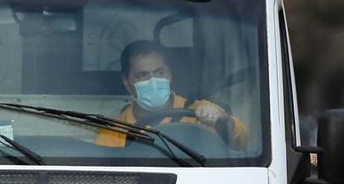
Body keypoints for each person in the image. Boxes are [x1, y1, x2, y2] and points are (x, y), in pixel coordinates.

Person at [96, 40, 249, 149]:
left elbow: (242, 142)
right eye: (142, 75)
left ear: (169, 74)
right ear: (126, 82)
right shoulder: (114, 131)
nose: (153, 81)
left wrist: (222, 122)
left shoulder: (198, 111)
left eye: (159, 72)